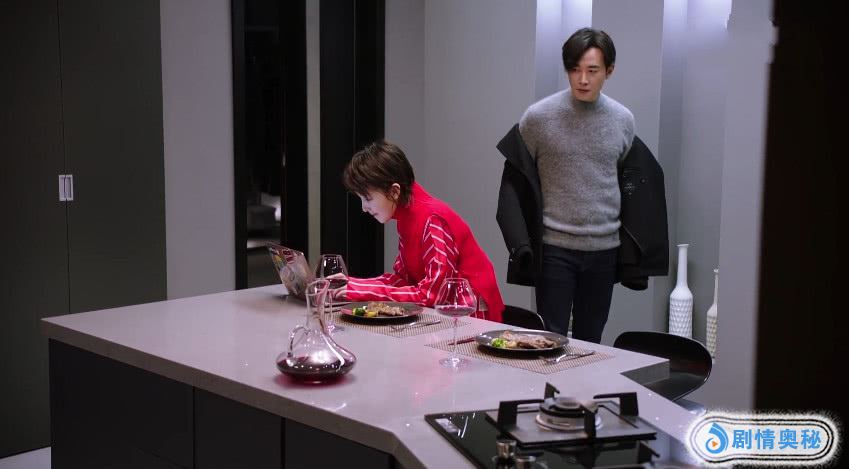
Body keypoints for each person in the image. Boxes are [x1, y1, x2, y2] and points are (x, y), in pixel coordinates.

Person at [497, 28, 635, 343]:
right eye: (574, 69)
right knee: (549, 339)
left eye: (592, 70)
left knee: (591, 341)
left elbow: (626, 181)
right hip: (555, 247)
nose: (582, 79)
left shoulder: (623, 120)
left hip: (604, 248)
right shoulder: (538, 118)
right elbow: (515, 181)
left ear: (609, 71)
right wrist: (520, 244)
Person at [334, 140, 505, 322]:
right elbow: (402, 280)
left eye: (367, 198)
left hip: (469, 315)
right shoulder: (408, 217)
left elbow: (431, 294)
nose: (364, 208)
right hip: (448, 311)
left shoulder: (432, 220)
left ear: (394, 191)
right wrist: (351, 284)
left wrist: (360, 291)